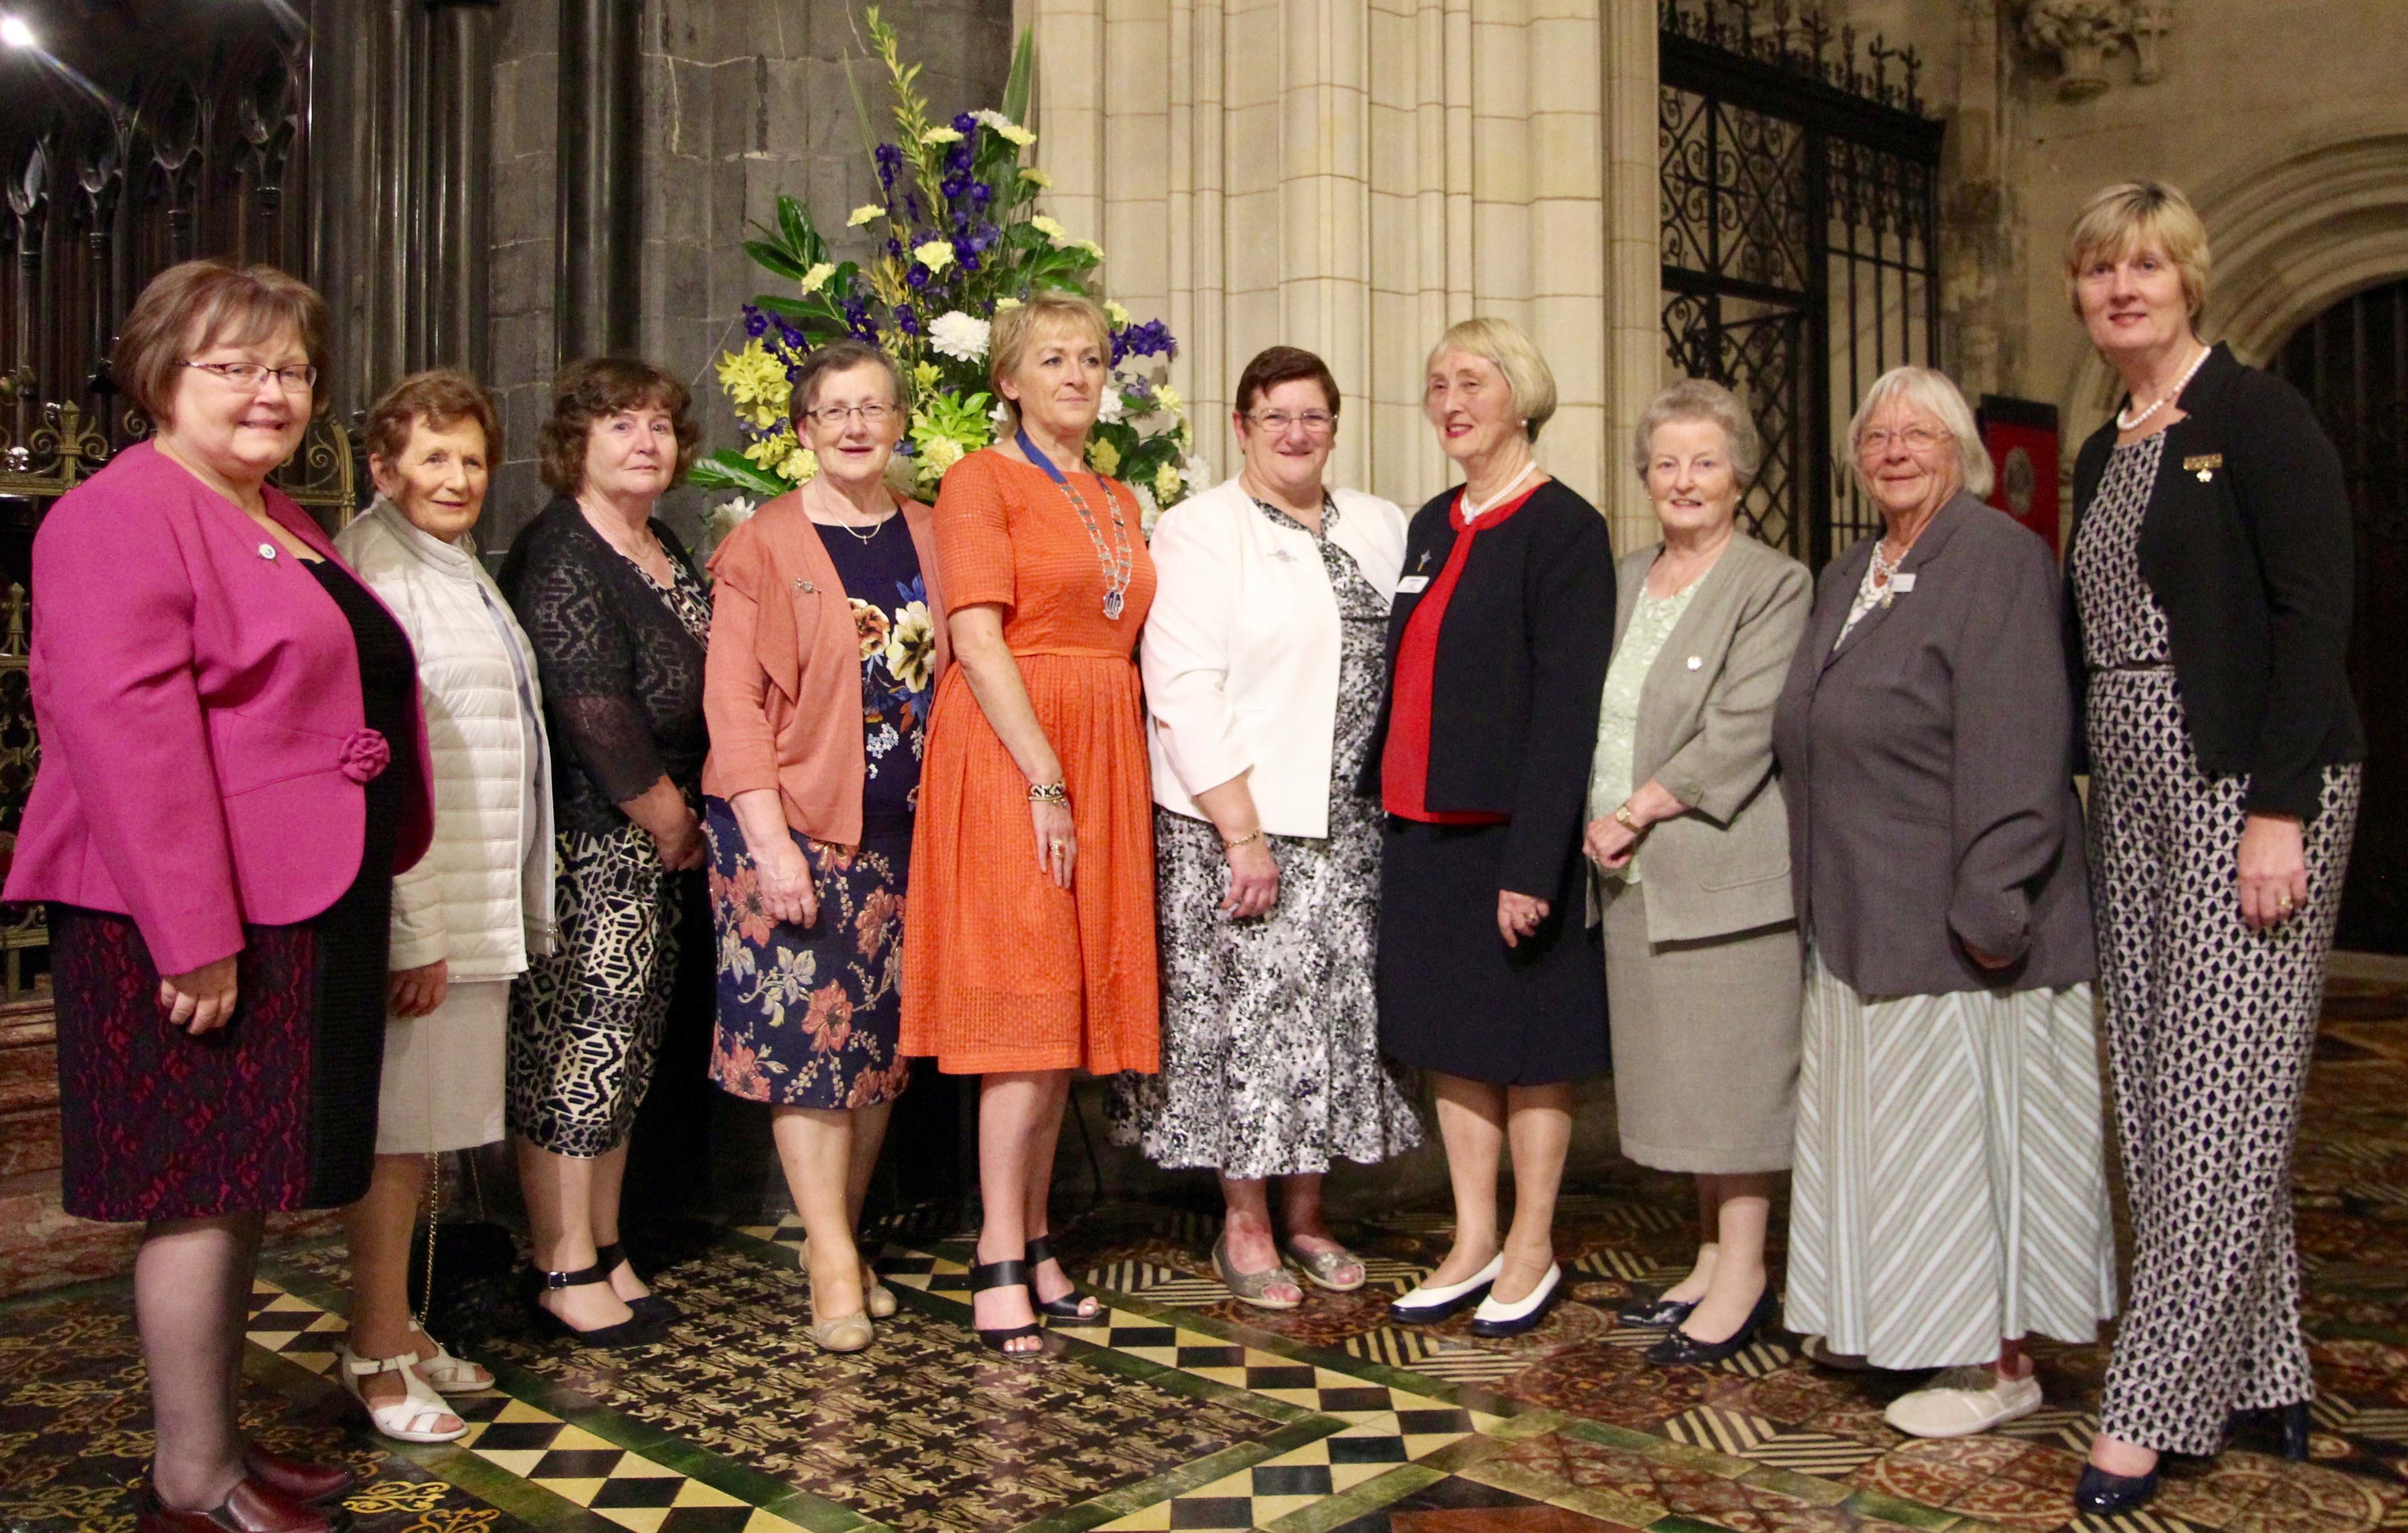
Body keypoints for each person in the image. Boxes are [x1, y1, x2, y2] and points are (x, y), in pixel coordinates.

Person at [3, 259, 432, 1533]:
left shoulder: (262, 508)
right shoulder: (118, 512)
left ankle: (220, 1450)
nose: (272, 392)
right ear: (159, 377)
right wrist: (191, 938)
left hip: (287, 898)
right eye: (233, 366)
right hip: (185, 915)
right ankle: (191, 1479)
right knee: (196, 1185)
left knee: (237, 1179)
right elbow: (127, 739)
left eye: (292, 368)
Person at [2062, 182, 2364, 1512]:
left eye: (2146, 266)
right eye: (2100, 271)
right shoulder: (2100, 445)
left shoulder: (2257, 416)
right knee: (2165, 1094)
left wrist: (2278, 808)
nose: (2122, 289)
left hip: (2252, 777)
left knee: (2221, 1096)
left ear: (2190, 279)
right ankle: (2267, 1371)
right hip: (2127, 794)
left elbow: (2314, 618)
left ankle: (2155, 1398)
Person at [1771, 365, 2114, 1437]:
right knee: (1896, 1146)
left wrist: (1995, 896)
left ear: (1962, 448)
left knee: (1970, 1150)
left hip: (1966, 923)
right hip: (1865, 913)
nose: (1895, 450)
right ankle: (1902, 1325)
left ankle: (1995, 1362)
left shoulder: (2001, 557)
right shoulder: (1850, 571)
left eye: (1920, 433)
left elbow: (2022, 736)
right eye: (1876, 435)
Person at [1117, 345, 1424, 1308]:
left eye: (1314, 418)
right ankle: (1245, 1224)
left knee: (1328, 1028)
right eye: (1274, 417)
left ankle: (1308, 1215)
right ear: (1241, 428)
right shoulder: (1200, 530)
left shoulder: (1381, 524)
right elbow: (1183, 688)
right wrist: (1242, 832)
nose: (1297, 434)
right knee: (1247, 1028)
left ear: (1336, 426)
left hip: (1353, 824)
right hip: (1241, 821)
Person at [900, 290, 1160, 1356]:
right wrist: (1047, 776)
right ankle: (996, 1251)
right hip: (1017, 753)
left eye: (1092, 358)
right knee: (1024, 1010)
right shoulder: (978, 480)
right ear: (1006, 379)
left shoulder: (1119, 494)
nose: (1076, 375)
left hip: (1104, 748)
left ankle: (1038, 1233)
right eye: (1051, 359)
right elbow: (976, 634)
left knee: (1062, 1028)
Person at [701, 340, 951, 1352]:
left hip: (907, 832)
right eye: (834, 411)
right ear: (803, 430)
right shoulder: (763, 541)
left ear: (899, 426)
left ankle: (830, 1238)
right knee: (809, 1054)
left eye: (874, 409)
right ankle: (836, 1261)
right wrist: (772, 843)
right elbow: (732, 706)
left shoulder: (934, 534)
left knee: (878, 1058)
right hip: (794, 829)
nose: (855, 427)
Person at [1370, 318, 1614, 1339]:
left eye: (1472, 381)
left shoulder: (1564, 528)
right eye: (1436, 385)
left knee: (1527, 1047)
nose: (1451, 401)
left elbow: (1568, 710)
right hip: (1423, 829)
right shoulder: (1432, 523)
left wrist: (1534, 863)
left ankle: (1531, 1244)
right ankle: (1473, 1236)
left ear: (1521, 394)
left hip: (1513, 836)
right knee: (1452, 1042)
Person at [328, 369, 553, 1441]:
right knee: (397, 1141)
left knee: (425, 1139)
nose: (458, 477)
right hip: (429, 912)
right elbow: (385, 769)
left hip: (473, 903)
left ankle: (405, 1327)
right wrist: (412, 929)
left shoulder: (451, 564)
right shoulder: (377, 572)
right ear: (383, 467)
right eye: (433, 458)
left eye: (471, 459)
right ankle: (373, 1350)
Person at [1583, 380, 1809, 1365]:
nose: (1684, 481)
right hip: (1633, 878)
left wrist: (1635, 811)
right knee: (1687, 1086)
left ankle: (1747, 1274)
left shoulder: (1774, 582)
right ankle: (1711, 1253)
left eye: (1705, 462)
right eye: (1666, 462)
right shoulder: (1627, 574)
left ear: (1740, 475)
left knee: (1738, 1087)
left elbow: (1744, 729)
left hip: (1721, 869)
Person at [500, 357, 710, 1347]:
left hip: (660, 841)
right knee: (575, 1050)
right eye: (622, 425)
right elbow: (593, 711)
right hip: (597, 840)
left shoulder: (658, 540)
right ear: (576, 443)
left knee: (624, 1053)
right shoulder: (564, 553)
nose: (645, 442)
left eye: (660, 426)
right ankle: (560, 1259)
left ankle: (607, 1240)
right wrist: (669, 818)